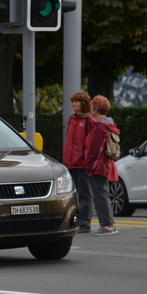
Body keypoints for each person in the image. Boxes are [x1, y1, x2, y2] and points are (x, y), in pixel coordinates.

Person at [85, 95, 120, 235]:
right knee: (102, 194)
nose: (90, 109)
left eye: (92, 106)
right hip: (105, 164)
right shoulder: (108, 124)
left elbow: (96, 149)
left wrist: (89, 167)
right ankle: (108, 224)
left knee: (100, 195)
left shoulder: (100, 126)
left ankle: (107, 225)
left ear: (96, 108)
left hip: (98, 166)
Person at [62, 91, 96, 233]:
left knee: (84, 194)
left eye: (76, 101)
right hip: (71, 162)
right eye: (73, 101)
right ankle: (77, 221)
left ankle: (85, 223)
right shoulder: (72, 120)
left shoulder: (89, 121)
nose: (73, 104)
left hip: (81, 163)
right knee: (74, 195)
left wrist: (86, 160)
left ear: (84, 104)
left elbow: (91, 144)